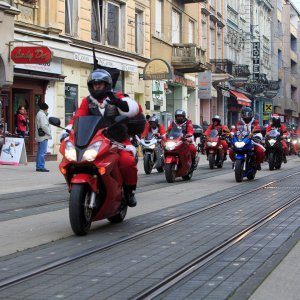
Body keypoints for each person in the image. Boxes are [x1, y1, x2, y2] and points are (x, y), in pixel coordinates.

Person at [62, 68, 140, 207]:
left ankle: (129, 191)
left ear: (107, 85)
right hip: (94, 141)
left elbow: (133, 108)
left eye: (100, 84)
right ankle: (76, 188)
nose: (97, 86)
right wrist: (68, 131)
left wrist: (119, 103)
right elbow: (78, 117)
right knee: (69, 161)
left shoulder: (116, 96)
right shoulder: (87, 101)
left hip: (117, 140)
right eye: (94, 84)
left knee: (126, 162)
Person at [35, 102, 51, 172]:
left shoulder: (39, 114)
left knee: (40, 151)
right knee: (42, 152)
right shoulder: (42, 115)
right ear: (45, 109)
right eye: (47, 110)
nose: (47, 111)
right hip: (43, 136)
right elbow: (44, 126)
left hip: (40, 135)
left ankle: (38, 166)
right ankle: (41, 166)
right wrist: (49, 133)